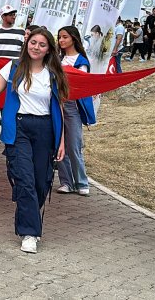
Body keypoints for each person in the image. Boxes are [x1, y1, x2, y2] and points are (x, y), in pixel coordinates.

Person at [0, 27, 67, 254]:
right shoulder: (13, 68)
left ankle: (28, 218)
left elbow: (59, 107)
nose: (36, 47)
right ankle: (30, 232)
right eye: (33, 43)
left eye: (42, 44)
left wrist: (62, 141)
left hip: (45, 129)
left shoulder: (54, 73)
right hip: (20, 127)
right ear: (26, 43)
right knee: (25, 179)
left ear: (49, 49)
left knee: (41, 181)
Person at [55, 26, 95, 196]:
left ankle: (81, 182)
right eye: (59, 37)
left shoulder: (81, 61)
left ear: (73, 38)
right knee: (58, 144)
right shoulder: (57, 59)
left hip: (72, 106)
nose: (61, 40)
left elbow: (80, 84)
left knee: (73, 145)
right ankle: (66, 182)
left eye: (64, 37)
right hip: (56, 105)